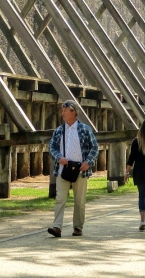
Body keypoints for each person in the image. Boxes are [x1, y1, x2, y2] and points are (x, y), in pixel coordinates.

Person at [47, 100, 99, 237]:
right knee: (60, 199)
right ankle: (57, 227)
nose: (62, 112)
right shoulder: (59, 130)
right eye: (62, 110)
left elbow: (95, 147)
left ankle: (78, 227)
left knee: (79, 201)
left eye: (65, 110)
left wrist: (88, 162)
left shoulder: (85, 129)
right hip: (62, 169)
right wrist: (59, 157)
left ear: (74, 111)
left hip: (81, 170)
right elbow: (51, 147)